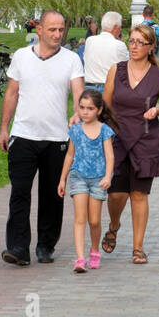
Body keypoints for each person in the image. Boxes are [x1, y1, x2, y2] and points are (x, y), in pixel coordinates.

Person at [0, 10, 84, 266]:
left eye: (61, 30)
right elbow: (12, 93)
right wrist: (4, 128)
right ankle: (18, 247)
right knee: (20, 193)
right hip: (23, 136)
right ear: (39, 30)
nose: (58, 35)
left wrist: (78, 114)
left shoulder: (71, 60)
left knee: (51, 195)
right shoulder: (22, 57)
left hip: (57, 138)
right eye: (52, 30)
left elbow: (78, 91)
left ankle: (46, 245)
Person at [101, 22, 159, 264]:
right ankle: (113, 225)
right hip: (118, 138)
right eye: (131, 41)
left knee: (139, 194)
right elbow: (105, 105)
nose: (134, 47)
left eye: (139, 43)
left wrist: (157, 110)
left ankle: (138, 247)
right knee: (116, 195)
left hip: (145, 140)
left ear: (150, 47)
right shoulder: (116, 70)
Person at [57, 89, 117, 273]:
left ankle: (94, 250)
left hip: (98, 180)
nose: (85, 112)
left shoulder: (105, 130)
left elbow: (110, 156)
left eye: (90, 108)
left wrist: (108, 176)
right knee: (80, 219)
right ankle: (80, 259)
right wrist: (62, 179)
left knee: (94, 221)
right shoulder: (75, 130)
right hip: (78, 177)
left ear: (99, 110)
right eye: (82, 108)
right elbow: (69, 155)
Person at [82, 11, 129, 94]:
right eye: (120, 27)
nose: (121, 29)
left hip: (89, 88)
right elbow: (126, 68)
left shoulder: (89, 41)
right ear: (115, 27)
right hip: (109, 89)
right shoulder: (119, 45)